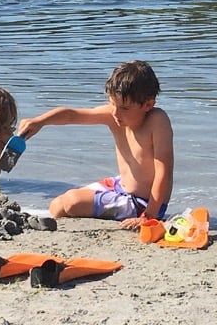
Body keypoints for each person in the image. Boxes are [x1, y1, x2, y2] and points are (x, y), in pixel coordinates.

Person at [17, 60, 173, 230]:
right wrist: (40, 121)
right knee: (57, 205)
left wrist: (148, 216)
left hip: (144, 203)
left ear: (148, 104)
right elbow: (73, 115)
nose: (115, 112)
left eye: (124, 108)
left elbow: (163, 172)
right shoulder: (114, 115)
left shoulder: (157, 121)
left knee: (71, 203)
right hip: (119, 185)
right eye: (112, 103)